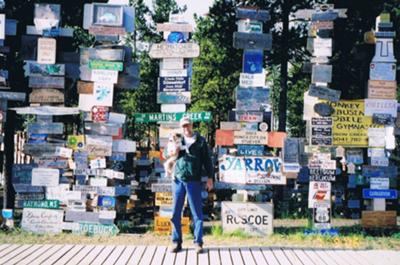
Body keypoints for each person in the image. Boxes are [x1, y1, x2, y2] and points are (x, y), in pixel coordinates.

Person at [168, 116, 213, 254]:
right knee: (176, 212)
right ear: (181, 127)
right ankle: (176, 242)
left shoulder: (200, 141)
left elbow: (207, 160)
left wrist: (210, 178)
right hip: (178, 180)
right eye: (183, 126)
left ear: (192, 125)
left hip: (194, 180)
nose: (186, 128)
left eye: (188, 125)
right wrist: (173, 151)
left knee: (197, 213)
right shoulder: (175, 139)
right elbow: (166, 154)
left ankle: (198, 242)